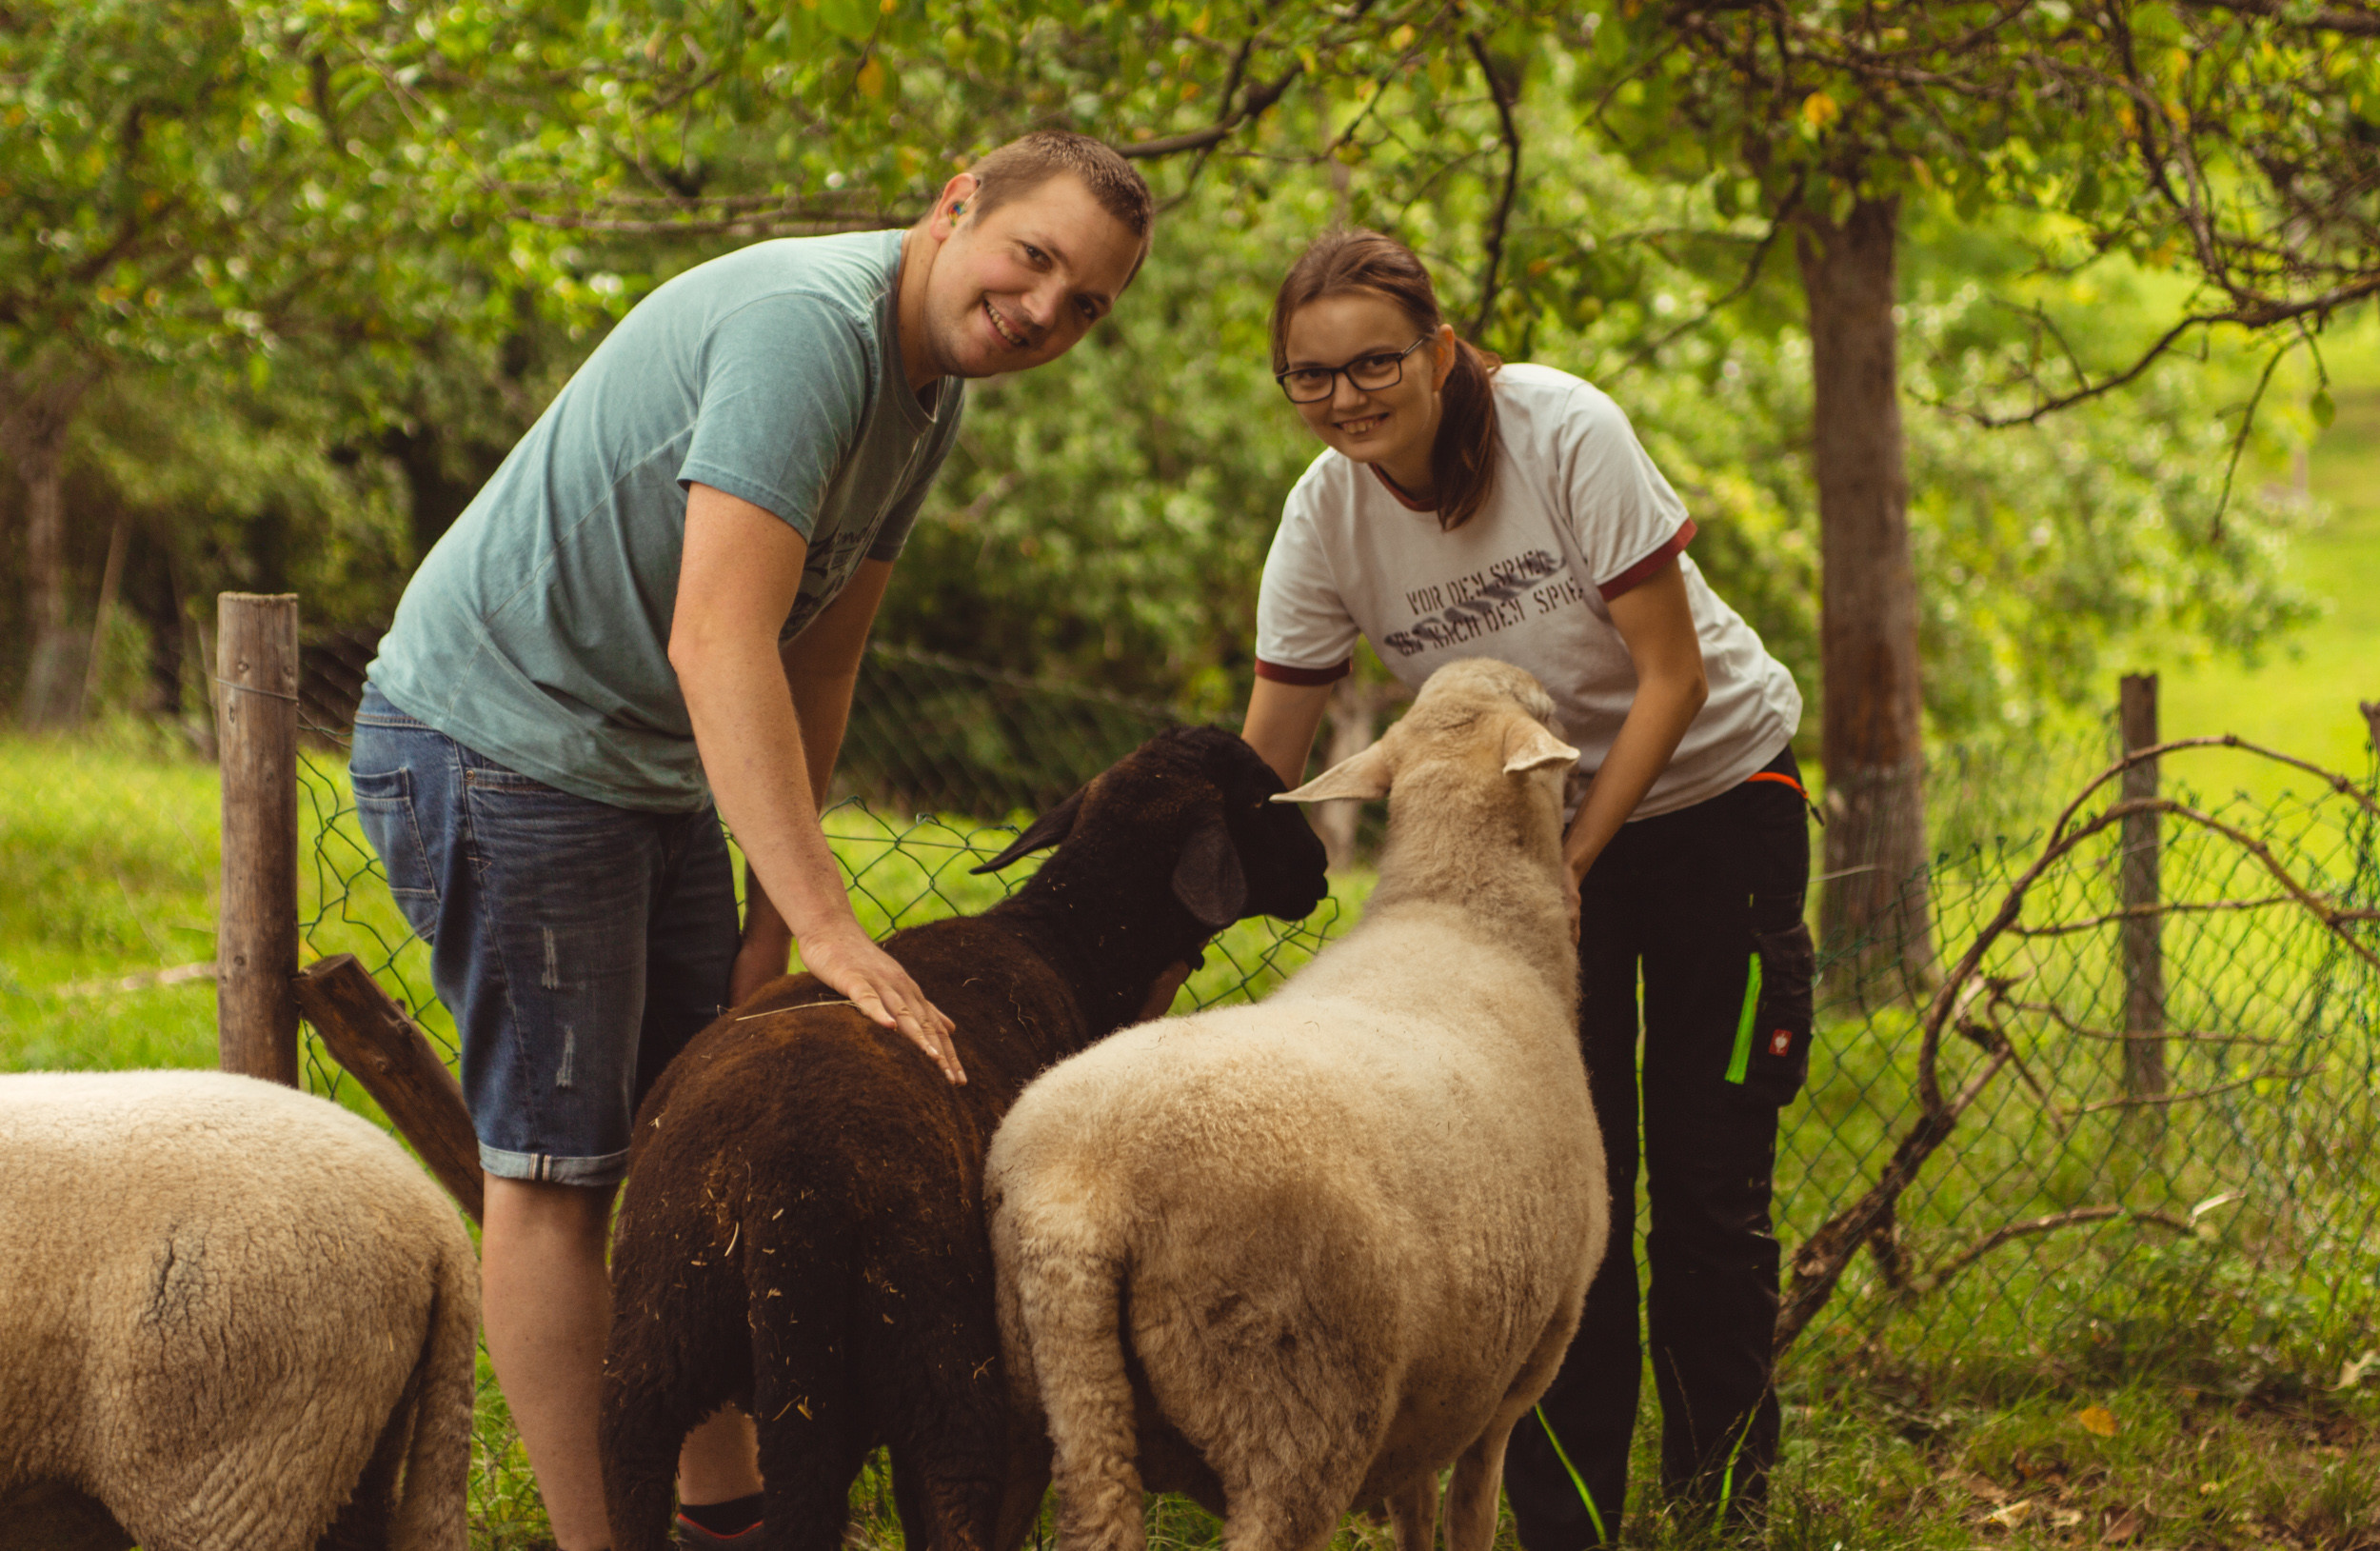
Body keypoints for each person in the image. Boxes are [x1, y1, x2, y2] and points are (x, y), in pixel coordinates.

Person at [348, 131, 1152, 1550]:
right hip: (498, 745)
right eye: (1034, 258)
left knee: (687, 1149)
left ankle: (720, 1520)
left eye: (1085, 303)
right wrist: (834, 922)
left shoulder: (931, 395)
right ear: (957, 199)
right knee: (559, 1173)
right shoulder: (807, 333)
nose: (1044, 312)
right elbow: (718, 635)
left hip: (644, 763)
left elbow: (820, 662)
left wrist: (778, 927)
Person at [1238, 229, 1812, 1547]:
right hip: (1541, 853)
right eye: (1308, 376)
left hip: (1714, 805)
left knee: (1713, 1192)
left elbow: (1675, 675)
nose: (1345, 397)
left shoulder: (1563, 432)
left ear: (1440, 351)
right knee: (1573, 1194)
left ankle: (1727, 1505)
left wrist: (1572, 860)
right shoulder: (1325, 517)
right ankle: (1565, 1526)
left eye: (1375, 361)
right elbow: (1262, 755)